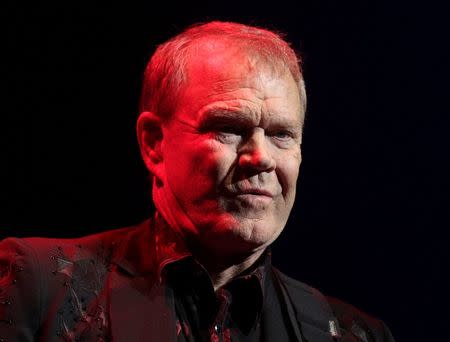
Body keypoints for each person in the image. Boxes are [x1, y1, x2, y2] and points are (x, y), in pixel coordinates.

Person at [0, 21, 395, 341]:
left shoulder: (354, 334)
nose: (260, 157)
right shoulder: (40, 286)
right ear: (154, 144)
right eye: (228, 128)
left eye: (282, 135)